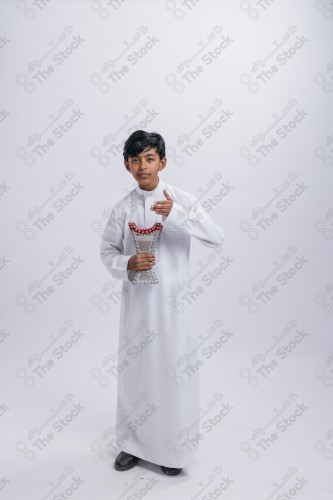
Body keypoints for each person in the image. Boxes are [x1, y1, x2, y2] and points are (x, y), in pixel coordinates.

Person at [100, 130, 224, 475]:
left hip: (174, 309)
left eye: (150, 158)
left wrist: (178, 215)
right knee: (135, 375)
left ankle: (174, 451)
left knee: (173, 377)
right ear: (127, 166)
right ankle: (130, 445)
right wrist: (127, 263)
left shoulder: (182, 199)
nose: (143, 166)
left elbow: (217, 237)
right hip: (137, 306)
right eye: (136, 160)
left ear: (163, 162)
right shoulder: (122, 208)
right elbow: (106, 250)